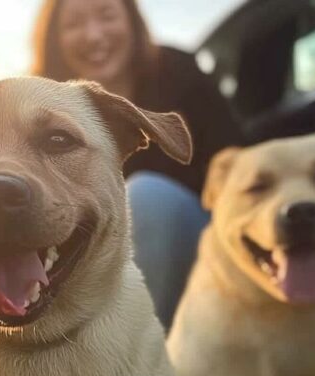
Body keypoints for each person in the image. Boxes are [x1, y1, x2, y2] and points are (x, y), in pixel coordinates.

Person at [31, 0, 244, 328]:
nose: (94, 35)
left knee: (146, 197)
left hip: (205, 232)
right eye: (74, 24)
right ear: (54, 38)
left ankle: (144, 355)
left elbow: (234, 162)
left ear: (131, 20)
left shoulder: (175, 71)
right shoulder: (36, 108)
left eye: (107, 15)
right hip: (94, 258)